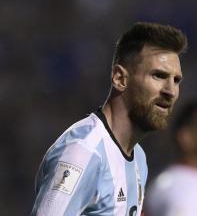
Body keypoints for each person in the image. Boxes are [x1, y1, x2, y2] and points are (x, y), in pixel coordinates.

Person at [30, 22, 187, 216]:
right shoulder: (82, 152)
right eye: (158, 75)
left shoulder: (139, 158)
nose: (170, 91)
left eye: (176, 80)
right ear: (120, 79)